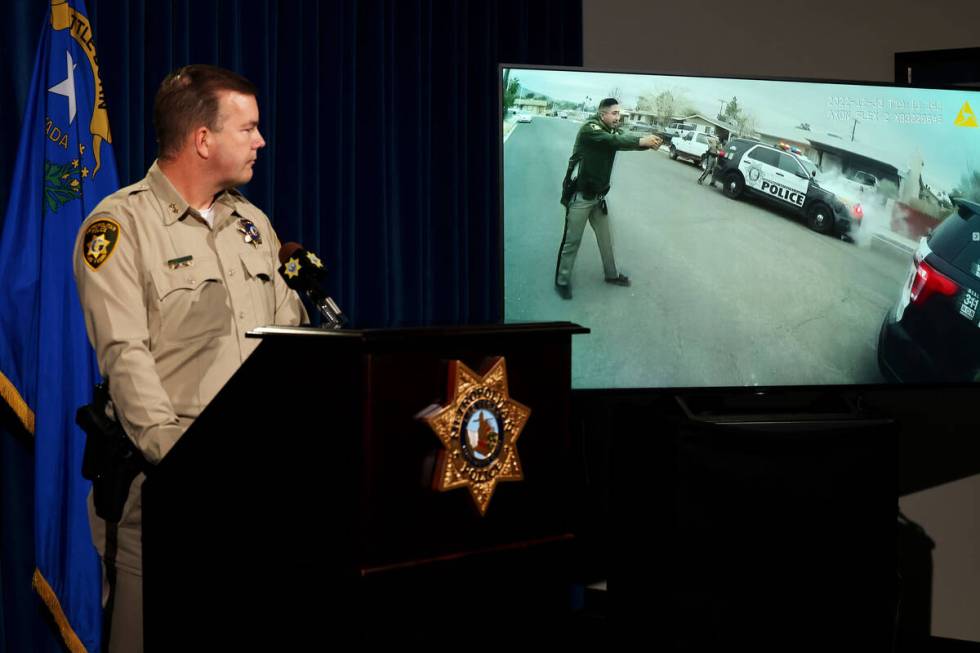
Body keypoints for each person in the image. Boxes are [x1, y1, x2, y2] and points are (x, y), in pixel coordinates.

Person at [73, 64, 308, 652]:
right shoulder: (119, 226)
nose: (261, 140)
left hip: (258, 490)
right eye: (248, 128)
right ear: (203, 139)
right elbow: (126, 360)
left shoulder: (252, 223)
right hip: (169, 495)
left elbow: (290, 343)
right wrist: (189, 470)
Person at [554, 98, 662, 299]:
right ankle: (562, 280)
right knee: (572, 241)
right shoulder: (590, 129)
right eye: (614, 113)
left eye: (619, 114)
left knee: (606, 239)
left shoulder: (611, 130)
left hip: (598, 198)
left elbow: (624, 138)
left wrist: (648, 142)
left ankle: (611, 275)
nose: (617, 117)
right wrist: (642, 142)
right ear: (602, 113)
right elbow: (613, 141)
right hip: (580, 197)